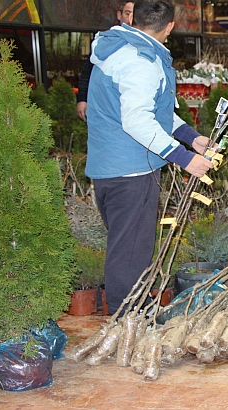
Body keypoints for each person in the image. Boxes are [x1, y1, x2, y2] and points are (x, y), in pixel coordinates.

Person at [85, 0, 215, 313]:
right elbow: (137, 120)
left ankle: (128, 312)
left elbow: (154, 110)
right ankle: (127, 318)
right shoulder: (140, 62)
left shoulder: (117, 49)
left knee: (124, 246)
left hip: (108, 166)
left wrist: (191, 137)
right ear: (169, 26)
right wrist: (184, 158)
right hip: (131, 170)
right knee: (131, 251)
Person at [76, 1, 134, 122]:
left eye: (134, 14)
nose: (130, 18)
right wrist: (82, 98)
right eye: (127, 13)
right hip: (105, 106)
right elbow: (88, 71)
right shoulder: (104, 42)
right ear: (119, 15)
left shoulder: (143, 44)